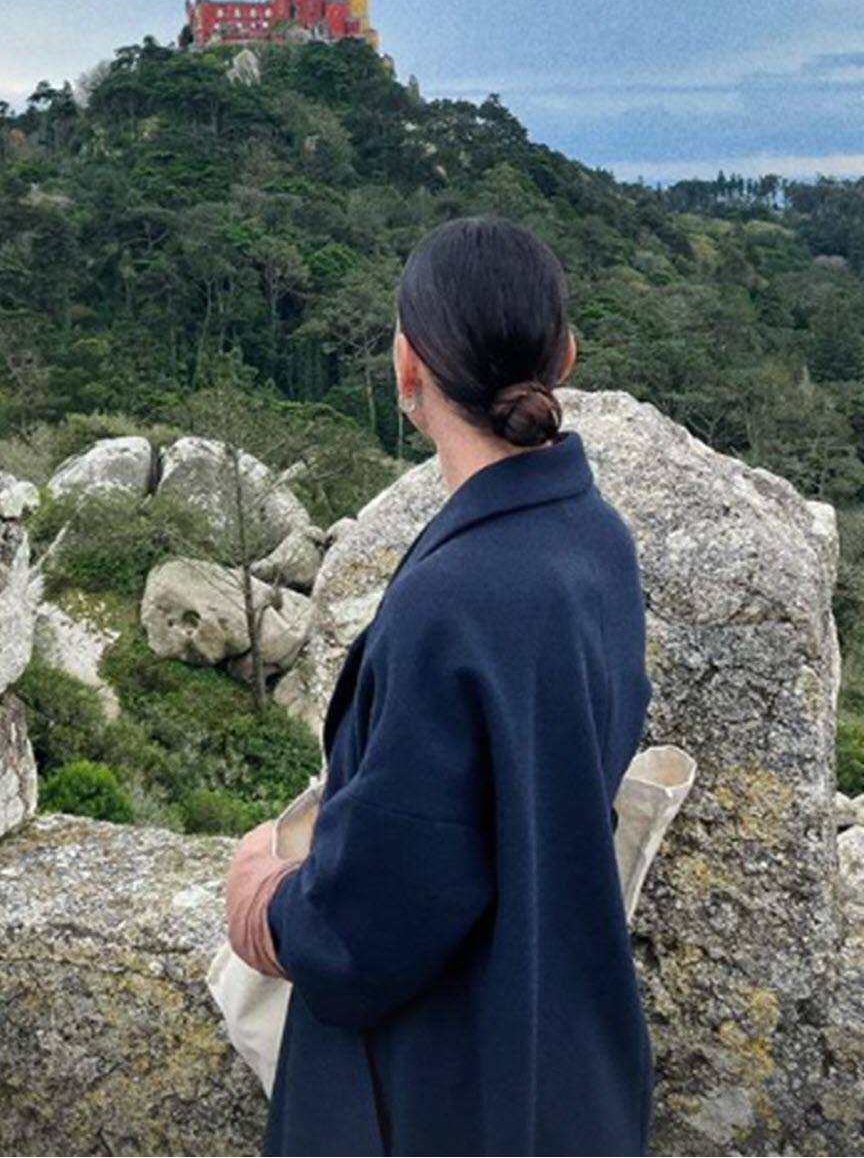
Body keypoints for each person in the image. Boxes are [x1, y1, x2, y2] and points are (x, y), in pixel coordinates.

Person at [222, 213, 654, 1157]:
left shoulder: (451, 599)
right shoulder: (599, 544)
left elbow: (375, 917)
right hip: (571, 1063)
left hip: (442, 1095)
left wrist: (265, 900)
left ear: (406, 368)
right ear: (566, 354)